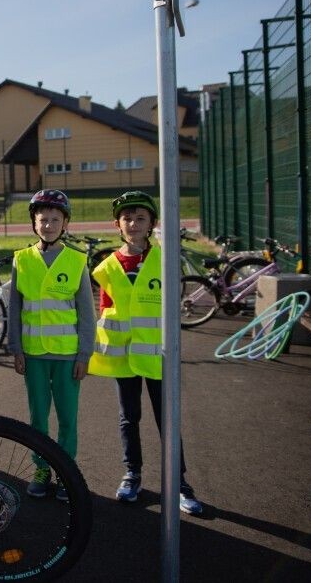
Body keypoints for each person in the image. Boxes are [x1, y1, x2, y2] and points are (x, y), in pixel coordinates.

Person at [89, 190, 204, 515]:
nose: (133, 223)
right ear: (117, 224)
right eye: (127, 218)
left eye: (140, 218)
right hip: (124, 357)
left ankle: (180, 483)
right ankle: (133, 474)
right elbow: (106, 313)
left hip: (157, 355)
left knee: (167, 420)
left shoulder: (165, 261)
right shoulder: (108, 266)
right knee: (129, 419)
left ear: (153, 223)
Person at [6, 190, 94, 500]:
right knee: (38, 417)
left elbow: (87, 313)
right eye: (43, 219)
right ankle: (41, 468)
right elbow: (14, 309)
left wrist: (85, 354)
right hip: (33, 354)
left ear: (65, 223)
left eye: (55, 219)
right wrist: (15, 348)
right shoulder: (22, 259)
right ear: (34, 223)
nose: (48, 225)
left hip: (67, 354)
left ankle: (66, 471)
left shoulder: (76, 260)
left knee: (68, 418)